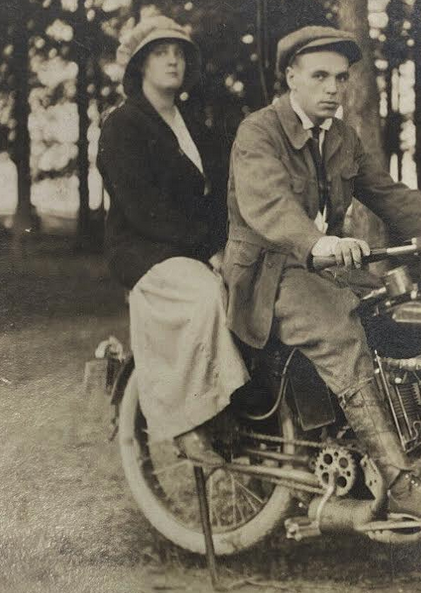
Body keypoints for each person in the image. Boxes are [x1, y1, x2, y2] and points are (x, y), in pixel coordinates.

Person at [223, 25, 421, 520]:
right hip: (270, 273)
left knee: (405, 313)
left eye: (340, 78)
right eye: (319, 77)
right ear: (291, 77)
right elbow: (269, 205)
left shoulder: (342, 138)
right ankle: (400, 485)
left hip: (328, 267)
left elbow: (389, 196)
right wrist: (322, 243)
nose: (333, 89)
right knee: (340, 330)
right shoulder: (259, 131)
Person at [97, 16, 248, 466]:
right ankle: (189, 422)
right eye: (161, 52)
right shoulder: (122, 125)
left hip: (193, 247)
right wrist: (207, 250)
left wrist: (224, 245)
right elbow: (143, 208)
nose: (173, 60)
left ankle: (246, 410)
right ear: (141, 63)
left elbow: (218, 197)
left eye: (180, 54)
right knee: (205, 297)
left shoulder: (194, 128)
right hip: (144, 249)